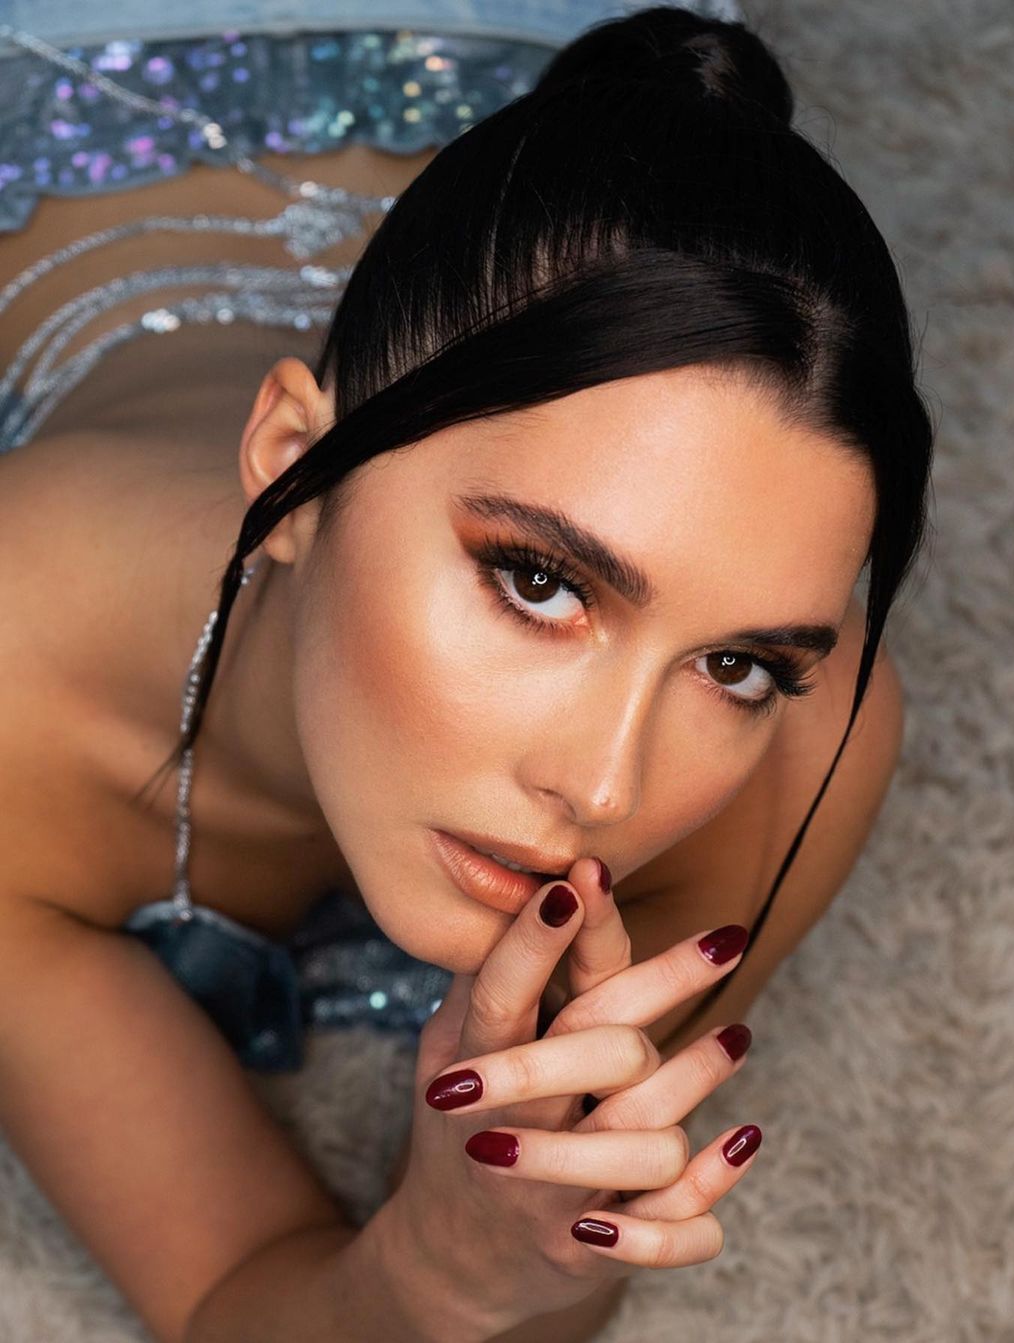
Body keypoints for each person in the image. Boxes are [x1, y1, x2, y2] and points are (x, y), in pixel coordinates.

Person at [0, 4, 930, 1342]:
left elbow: (509, 1282)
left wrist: (481, 1253)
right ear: (290, 470)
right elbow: (221, 1292)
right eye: (540, 582)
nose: (606, 788)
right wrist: (432, 1279)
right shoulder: (24, 689)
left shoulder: (807, 740)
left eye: (734, 663)